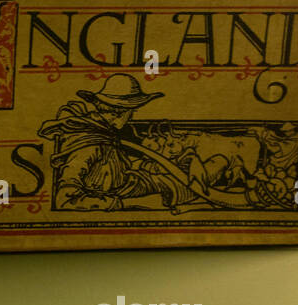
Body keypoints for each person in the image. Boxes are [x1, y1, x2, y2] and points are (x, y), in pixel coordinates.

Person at [38, 74, 198, 211]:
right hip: (129, 193)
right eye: (132, 112)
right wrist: (127, 204)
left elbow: (117, 165)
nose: (131, 117)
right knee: (193, 183)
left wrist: (149, 166)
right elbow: (64, 201)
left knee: (190, 176)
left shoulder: (106, 135)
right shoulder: (90, 144)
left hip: (136, 183)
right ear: (121, 112)